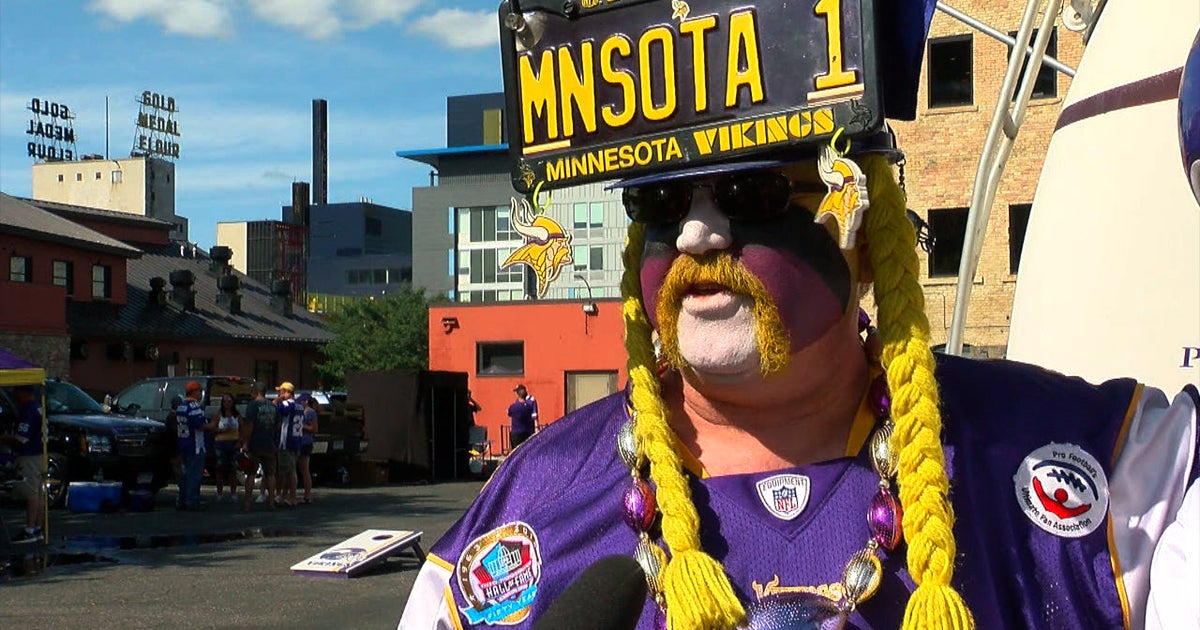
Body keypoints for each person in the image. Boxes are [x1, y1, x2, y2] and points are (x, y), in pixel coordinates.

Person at [398, 3, 1198, 629]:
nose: (696, 235)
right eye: (660, 202)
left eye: (755, 196)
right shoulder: (528, 508)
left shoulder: (1121, 468)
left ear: (861, 224)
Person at [4, 386, 45, 543]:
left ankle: (30, 530)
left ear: (25, 392)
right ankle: (37, 528)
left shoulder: (29, 410)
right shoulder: (39, 408)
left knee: (31, 492)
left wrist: (5, 439)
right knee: (38, 492)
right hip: (40, 452)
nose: (14, 394)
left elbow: (22, 437)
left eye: (17, 391)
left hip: (29, 454)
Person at [239, 382, 278, 511]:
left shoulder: (253, 405)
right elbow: (278, 425)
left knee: (251, 473)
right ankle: (271, 502)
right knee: (270, 474)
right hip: (269, 444)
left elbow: (249, 425)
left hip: (255, 444)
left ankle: (247, 503)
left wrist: (245, 442)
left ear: (255, 392)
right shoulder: (273, 406)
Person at [176, 381, 213, 511]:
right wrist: (213, 425)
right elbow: (200, 425)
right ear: (195, 392)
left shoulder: (181, 407)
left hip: (183, 444)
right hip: (195, 445)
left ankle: (182, 499)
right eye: (199, 391)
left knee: (185, 474)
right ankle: (192, 500)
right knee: (194, 474)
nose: (200, 394)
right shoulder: (195, 407)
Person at [274, 382, 302, 508]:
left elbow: (277, 407)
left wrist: (277, 401)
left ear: (286, 392)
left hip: (286, 441)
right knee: (289, 470)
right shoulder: (299, 406)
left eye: (281, 391)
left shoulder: (287, 404)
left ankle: (292, 497)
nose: (279, 394)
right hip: (297, 440)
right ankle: (285, 496)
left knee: (288, 471)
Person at [211, 394, 241, 503]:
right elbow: (212, 428)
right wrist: (223, 430)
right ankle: (219, 493)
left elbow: (242, 429)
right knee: (220, 469)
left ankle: (233, 492)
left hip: (233, 444)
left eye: (229, 401)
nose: (227, 403)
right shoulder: (218, 415)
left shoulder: (237, 415)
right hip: (221, 444)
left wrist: (240, 442)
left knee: (233, 469)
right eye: (224, 401)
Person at [297, 393, 319, 504]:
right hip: (297, 442)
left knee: (304, 469)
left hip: (306, 442)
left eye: (301, 401)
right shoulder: (300, 412)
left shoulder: (311, 412)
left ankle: (308, 494)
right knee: (296, 469)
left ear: (305, 401)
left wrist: (302, 426)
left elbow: (314, 429)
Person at [505, 384, 537, 450]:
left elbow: (509, 412)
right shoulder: (528, 407)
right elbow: (533, 416)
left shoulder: (514, 406)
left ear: (517, 394)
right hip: (527, 432)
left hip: (516, 433)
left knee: (516, 453)